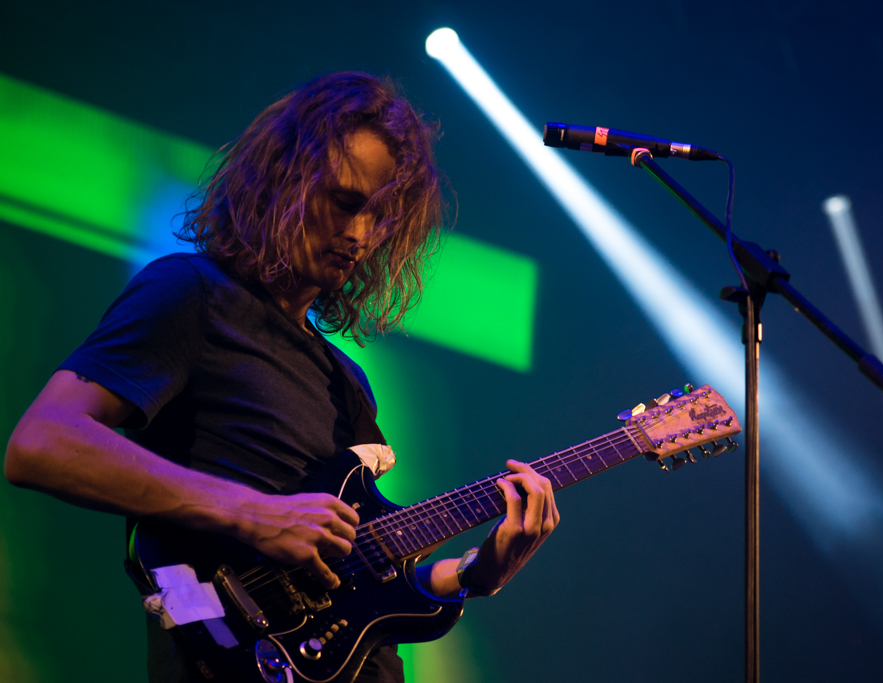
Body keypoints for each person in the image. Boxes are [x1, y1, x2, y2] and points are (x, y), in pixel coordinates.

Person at [3, 72, 559, 682]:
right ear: (281, 181)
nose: (360, 235)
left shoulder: (346, 382)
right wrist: (253, 512)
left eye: (379, 217)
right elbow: (42, 443)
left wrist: (476, 572)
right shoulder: (192, 293)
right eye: (345, 202)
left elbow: (364, 579)